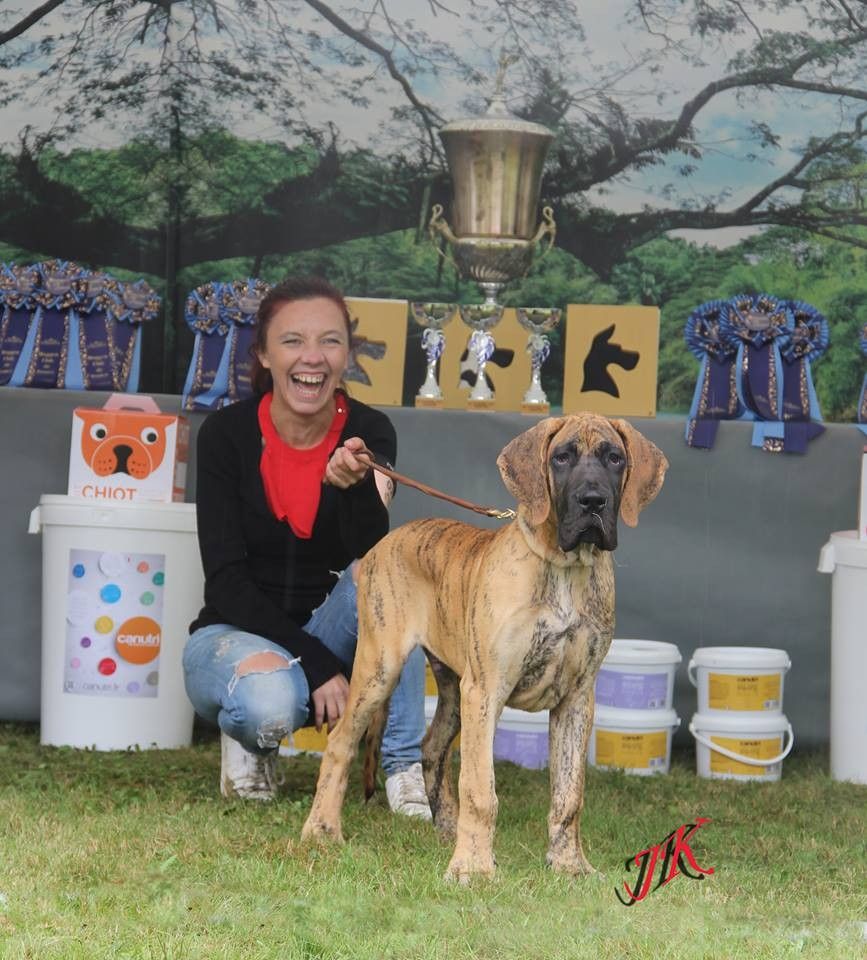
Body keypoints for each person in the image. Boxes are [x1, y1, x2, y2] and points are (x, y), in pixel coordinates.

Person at [183, 275, 430, 817]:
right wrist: (315, 663)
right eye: (292, 341)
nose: (312, 357)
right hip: (237, 634)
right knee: (266, 703)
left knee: (392, 576)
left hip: (329, 625)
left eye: (330, 341)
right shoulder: (224, 434)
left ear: (347, 355)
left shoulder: (369, 430)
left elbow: (372, 554)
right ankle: (250, 741)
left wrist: (356, 485)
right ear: (264, 355)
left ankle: (404, 766)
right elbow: (225, 582)